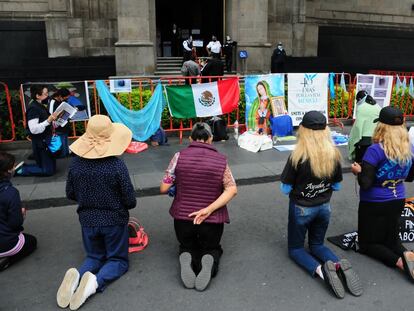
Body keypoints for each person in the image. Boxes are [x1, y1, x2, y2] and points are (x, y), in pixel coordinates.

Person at [57, 115, 136, 310]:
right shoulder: (116, 166)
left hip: (87, 220)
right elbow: (129, 199)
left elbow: (70, 193)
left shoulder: (75, 164)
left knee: (94, 257)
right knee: (117, 260)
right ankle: (94, 283)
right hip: (113, 220)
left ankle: (77, 279)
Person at [281, 111, 363, 299]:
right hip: (324, 207)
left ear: (303, 130)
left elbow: (285, 189)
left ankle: (321, 271)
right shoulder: (333, 154)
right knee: (317, 244)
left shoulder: (297, 156)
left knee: (296, 249)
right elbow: (337, 185)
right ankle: (337, 264)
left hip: (302, 207)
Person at [160, 122, 237, 291]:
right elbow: (232, 189)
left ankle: (187, 255)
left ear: (190, 138)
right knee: (212, 248)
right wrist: (207, 210)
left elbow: (164, 187)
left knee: (187, 245)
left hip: (183, 219)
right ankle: (209, 259)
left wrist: (177, 183)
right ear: (210, 139)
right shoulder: (221, 161)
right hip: (212, 221)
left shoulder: (178, 156)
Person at [351, 106, 414, 283]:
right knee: (391, 238)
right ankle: (408, 254)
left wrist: (358, 171)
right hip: (398, 198)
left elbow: (366, 183)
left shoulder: (375, 150)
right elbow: (409, 177)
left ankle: (400, 262)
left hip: (374, 202)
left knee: (367, 244)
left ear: (381, 126)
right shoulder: (409, 148)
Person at [0, 152, 37, 271]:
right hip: (5, 242)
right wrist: (21, 214)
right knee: (31, 242)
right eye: (12, 167)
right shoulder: (10, 193)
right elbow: (15, 224)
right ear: (6, 172)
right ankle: (7, 260)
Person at [17, 85, 58, 176]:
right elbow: (34, 129)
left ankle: (28, 166)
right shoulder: (33, 108)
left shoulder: (39, 105)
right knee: (48, 171)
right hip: (40, 141)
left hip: (45, 139)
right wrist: (48, 121)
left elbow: (44, 121)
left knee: (52, 168)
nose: (48, 96)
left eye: (48, 93)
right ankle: (22, 170)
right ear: (37, 96)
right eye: (45, 94)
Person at [348, 90, 381, 162]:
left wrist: (356, 139)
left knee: (360, 160)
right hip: (375, 136)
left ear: (359, 99)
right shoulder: (377, 106)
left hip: (363, 139)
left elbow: (358, 126)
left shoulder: (361, 108)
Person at [49, 88, 72, 157]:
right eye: (65, 98)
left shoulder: (62, 101)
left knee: (64, 138)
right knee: (61, 139)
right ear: (59, 96)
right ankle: (62, 154)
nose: (66, 100)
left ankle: (65, 153)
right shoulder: (53, 102)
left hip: (64, 123)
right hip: (57, 125)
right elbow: (50, 114)